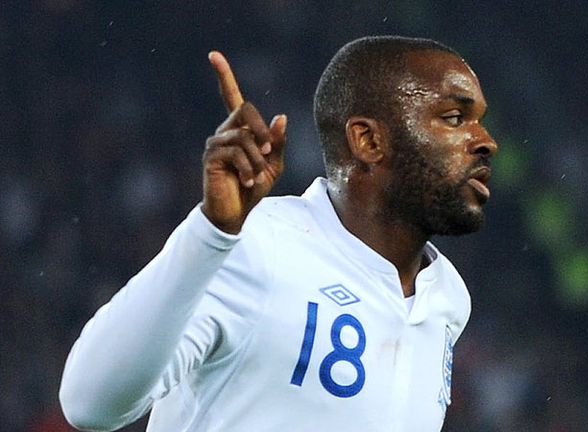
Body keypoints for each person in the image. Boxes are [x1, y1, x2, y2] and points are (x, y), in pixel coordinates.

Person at [59, 35, 498, 432]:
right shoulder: (261, 246)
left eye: (479, 120)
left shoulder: (447, 298)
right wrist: (212, 233)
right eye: (455, 117)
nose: (486, 141)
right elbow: (89, 404)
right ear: (368, 141)